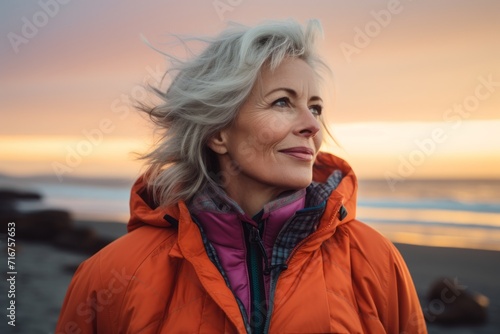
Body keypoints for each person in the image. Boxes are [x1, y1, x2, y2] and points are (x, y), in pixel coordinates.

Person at [56, 19, 427, 333]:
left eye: (315, 107)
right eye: (283, 101)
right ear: (218, 132)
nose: (313, 125)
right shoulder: (111, 274)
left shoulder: (376, 260)